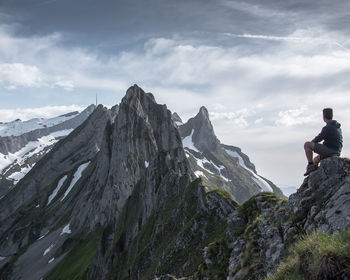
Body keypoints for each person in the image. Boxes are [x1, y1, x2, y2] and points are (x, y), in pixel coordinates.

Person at [304, 108, 343, 176]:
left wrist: (311, 144)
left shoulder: (328, 127)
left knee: (307, 144)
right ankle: (312, 175)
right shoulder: (337, 127)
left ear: (323, 117)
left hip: (330, 150)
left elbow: (318, 139)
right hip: (337, 151)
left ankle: (310, 165)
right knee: (315, 160)